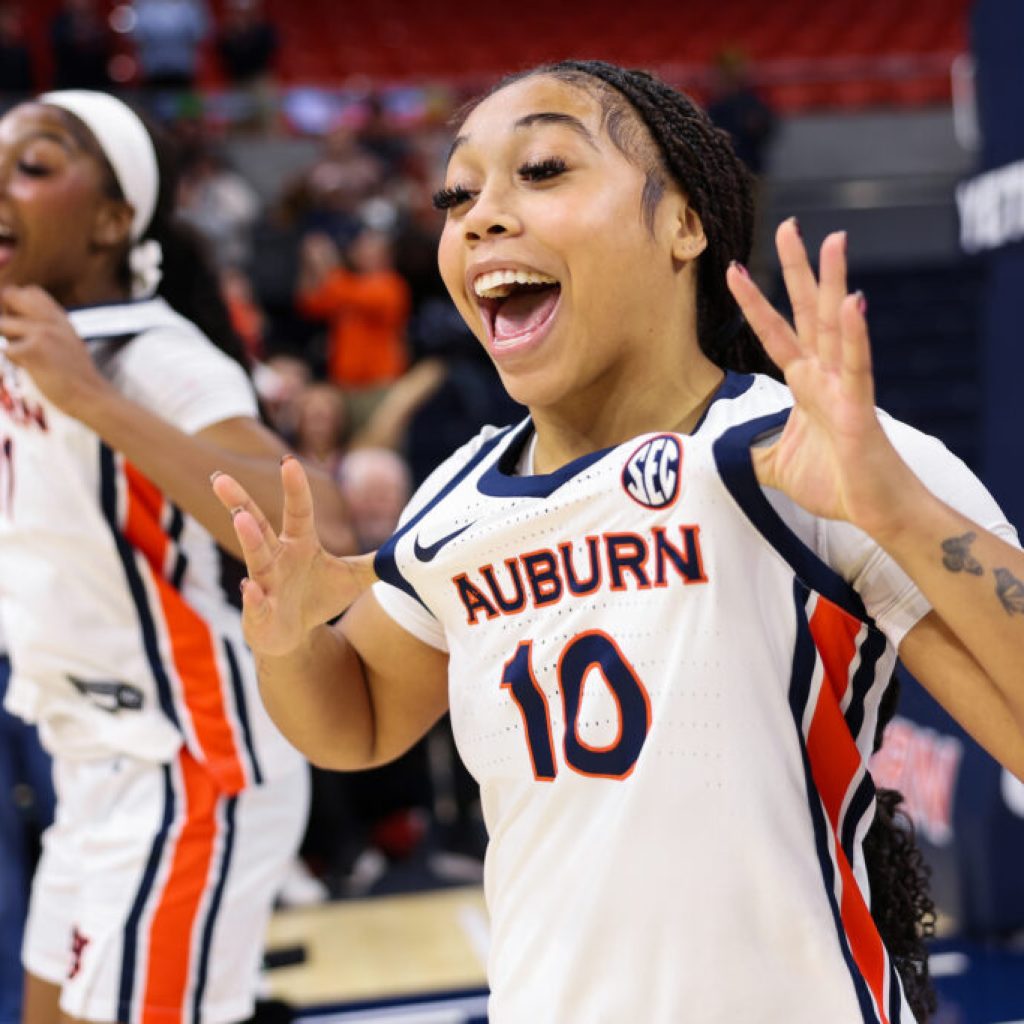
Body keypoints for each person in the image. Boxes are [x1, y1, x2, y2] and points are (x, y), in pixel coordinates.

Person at [213, 60, 1024, 1023]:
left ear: (684, 223)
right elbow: (355, 723)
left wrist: (904, 518)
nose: (481, 216)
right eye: (456, 195)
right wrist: (286, 643)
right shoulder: (462, 493)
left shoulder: (808, 456)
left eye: (543, 169)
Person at [0, 89, 354, 1024]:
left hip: (192, 764)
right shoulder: (20, 337)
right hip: (91, 759)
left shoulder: (152, 355)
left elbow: (323, 525)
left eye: (32, 166)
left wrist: (93, 400)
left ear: (112, 221)